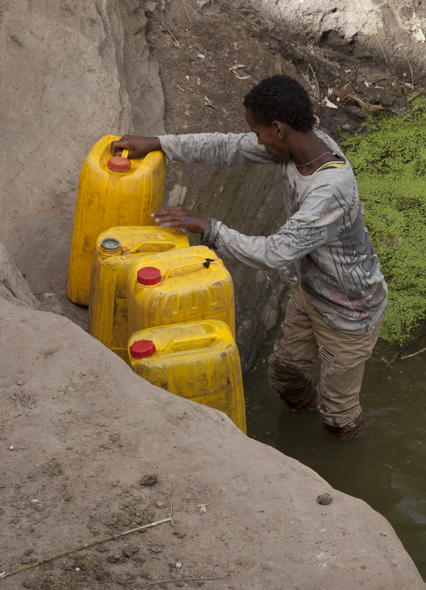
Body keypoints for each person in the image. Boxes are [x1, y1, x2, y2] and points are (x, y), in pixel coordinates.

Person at [111, 74, 387, 439]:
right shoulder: (300, 148)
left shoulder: (330, 191)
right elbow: (229, 148)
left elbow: (275, 253)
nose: (256, 142)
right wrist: (160, 143)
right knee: (285, 374)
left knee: (340, 419)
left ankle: (345, 461)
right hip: (315, 294)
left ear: (278, 129)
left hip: (350, 311)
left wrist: (208, 227)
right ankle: (308, 419)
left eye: (258, 134)